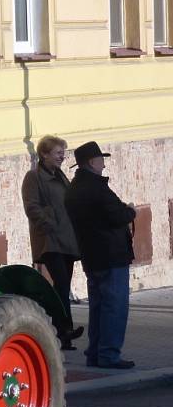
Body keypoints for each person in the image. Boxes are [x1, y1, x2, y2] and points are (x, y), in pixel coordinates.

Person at [64, 141, 136, 369]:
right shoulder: (97, 188)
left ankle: (94, 353)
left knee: (98, 307)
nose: (103, 164)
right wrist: (130, 210)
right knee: (114, 307)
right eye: (101, 159)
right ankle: (109, 355)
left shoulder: (74, 189)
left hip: (91, 255)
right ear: (92, 162)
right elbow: (116, 216)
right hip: (111, 255)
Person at [21, 135, 84, 350]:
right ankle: (63, 329)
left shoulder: (61, 175)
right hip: (50, 240)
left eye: (63, 153)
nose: (62, 157)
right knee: (62, 283)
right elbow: (32, 207)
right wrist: (50, 223)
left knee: (62, 286)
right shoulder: (33, 177)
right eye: (58, 153)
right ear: (44, 154)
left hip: (66, 239)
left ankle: (62, 335)